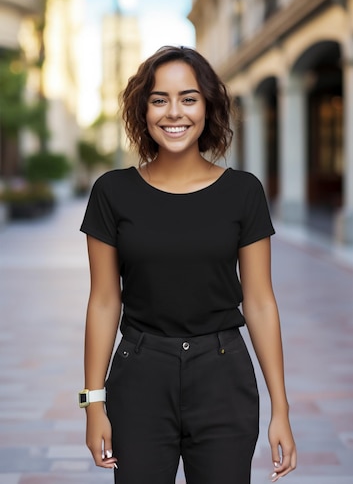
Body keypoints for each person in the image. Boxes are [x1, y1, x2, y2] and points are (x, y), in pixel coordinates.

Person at [79, 45, 296, 484]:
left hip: (223, 375)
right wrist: (94, 403)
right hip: (139, 376)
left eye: (188, 98)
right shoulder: (112, 192)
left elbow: (259, 302)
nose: (173, 113)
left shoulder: (243, 192)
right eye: (159, 99)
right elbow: (104, 302)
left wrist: (281, 409)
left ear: (208, 107)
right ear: (142, 110)